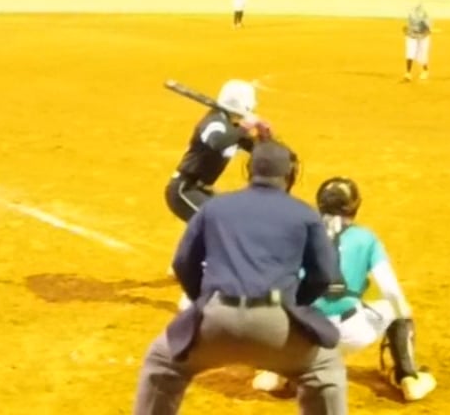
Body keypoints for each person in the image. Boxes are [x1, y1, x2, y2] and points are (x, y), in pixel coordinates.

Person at [132, 141, 346, 415]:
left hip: (215, 320)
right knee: (324, 367)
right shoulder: (305, 214)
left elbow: (183, 263)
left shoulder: (214, 207)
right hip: (277, 326)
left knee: (162, 362)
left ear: (249, 171)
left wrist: (205, 301)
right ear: (290, 175)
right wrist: (294, 307)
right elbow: (324, 275)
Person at [252, 177, 437, 402]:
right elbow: (392, 292)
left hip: (303, 338)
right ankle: (408, 377)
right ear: (354, 207)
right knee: (396, 308)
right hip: (350, 335)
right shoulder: (366, 239)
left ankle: (274, 370)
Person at [165, 80, 267, 223]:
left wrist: (264, 134)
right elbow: (217, 142)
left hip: (204, 191)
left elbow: (262, 151)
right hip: (185, 190)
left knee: (235, 222)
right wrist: (244, 128)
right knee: (218, 224)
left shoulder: (233, 127)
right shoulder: (215, 122)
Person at [402, 5, 432, 83]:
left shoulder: (426, 18)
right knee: (410, 53)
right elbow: (407, 27)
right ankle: (408, 73)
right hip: (412, 36)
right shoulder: (411, 16)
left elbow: (428, 29)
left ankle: (425, 70)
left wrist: (424, 30)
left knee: (422, 54)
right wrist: (406, 29)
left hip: (423, 37)